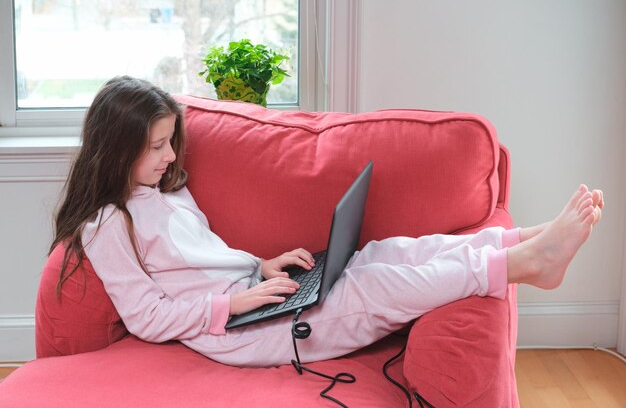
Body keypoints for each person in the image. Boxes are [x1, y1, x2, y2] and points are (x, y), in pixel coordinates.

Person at [51, 76, 604, 368]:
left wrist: (260, 268)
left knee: (380, 254)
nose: (171, 156)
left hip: (258, 294)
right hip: (240, 334)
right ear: (115, 150)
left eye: (171, 141)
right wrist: (232, 304)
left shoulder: (165, 190)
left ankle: (514, 240)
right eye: (156, 146)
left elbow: (206, 254)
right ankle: (523, 265)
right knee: (377, 284)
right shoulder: (106, 225)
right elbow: (147, 316)